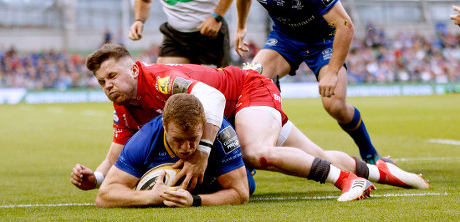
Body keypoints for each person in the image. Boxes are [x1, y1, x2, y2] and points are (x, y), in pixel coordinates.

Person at [71, 44, 429, 203]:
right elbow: (117, 152)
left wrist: (203, 153)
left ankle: (350, 182)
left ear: (133, 69)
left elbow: (212, 98)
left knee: (256, 152)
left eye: (112, 76)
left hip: (247, 90)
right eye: (102, 82)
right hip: (239, 108)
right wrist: (98, 178)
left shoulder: (163, 80)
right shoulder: (125, 105)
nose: (108, 86)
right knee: (318, 157)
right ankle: (382, 172)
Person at [234, 0, 382, 164]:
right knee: (251, 80)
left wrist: (332, 72)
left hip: (322, 42)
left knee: (334, 106)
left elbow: (346, 25)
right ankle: (253, 151)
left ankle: (370, 153)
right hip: (285, 39)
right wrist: (241, 27)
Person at [96, 93, 253, 208]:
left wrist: (195, 200)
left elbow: (240, 193)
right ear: (164, 125)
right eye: (178, 140)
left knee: (248, 181)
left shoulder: (222, 135)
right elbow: (104, 196)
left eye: (192, 139)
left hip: (220, 181)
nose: (186, 148)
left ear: (203, 124)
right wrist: (150, 196)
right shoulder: (144, 139)